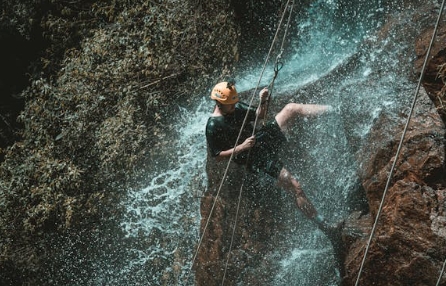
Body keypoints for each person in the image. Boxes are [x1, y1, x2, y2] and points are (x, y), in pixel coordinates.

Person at [205, 81, 338, 235]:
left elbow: (260, 115)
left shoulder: (235, 107)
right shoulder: (213, 126)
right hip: (253, 158)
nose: (234, 107)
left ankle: (335, 109)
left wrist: (262, 100)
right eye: (230, 104)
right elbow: (217, 156)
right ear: (220, 103)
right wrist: (242, 147)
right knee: (295, 186)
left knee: (291, 109)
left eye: (234, 103)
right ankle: (325, 226)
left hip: (259, 140)